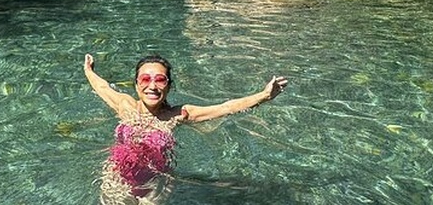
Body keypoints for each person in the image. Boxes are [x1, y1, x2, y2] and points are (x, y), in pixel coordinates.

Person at [83, 53, 287, 204]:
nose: (152, 86)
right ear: (136, 85)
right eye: (145, 79)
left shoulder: (179, 114)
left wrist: (263, 96)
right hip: (116, 178)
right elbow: (102, 88)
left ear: (169, 86)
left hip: (157, 182)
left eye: (160, 79)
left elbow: (225, 108)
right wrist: (88, 71)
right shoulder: (124, 106)